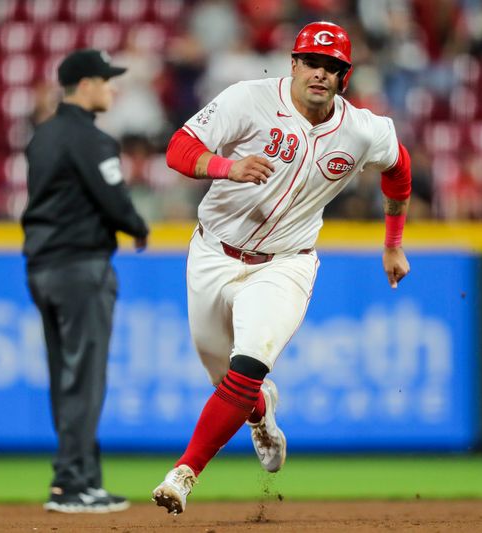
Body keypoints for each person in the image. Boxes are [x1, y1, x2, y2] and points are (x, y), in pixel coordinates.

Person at [153, 21, 412, 514]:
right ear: (293, 64)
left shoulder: (362, 130)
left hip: (285, 264)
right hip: (213, 253)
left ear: (344, 76)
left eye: (331, 66)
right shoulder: (247, 99)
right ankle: (260, 410)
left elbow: (399, 169)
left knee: (247, 364)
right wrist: (227, 166)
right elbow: (178, 149)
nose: (320, 73)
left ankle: (183, 474)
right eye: (311, 62)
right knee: (226, 382)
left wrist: (393, 243)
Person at [22, 48, 149, 514]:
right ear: (87, 84)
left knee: (67, 377)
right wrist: (138, 226)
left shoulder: (42, 136)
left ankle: (84, 478)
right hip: (80, 267)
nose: (113, 88)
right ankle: (72, 483)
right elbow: (115, 201)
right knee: (85, 379)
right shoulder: (91, 140)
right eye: (107, 80)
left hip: (41, 267)